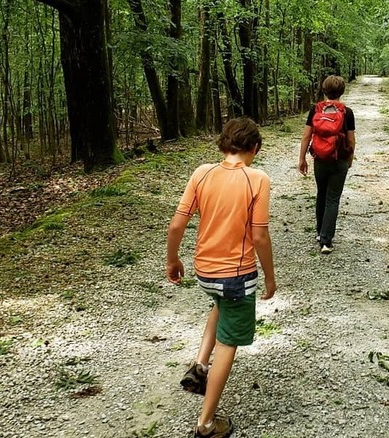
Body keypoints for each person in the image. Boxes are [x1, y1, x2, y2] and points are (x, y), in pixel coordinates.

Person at [166, 117, 277, 438]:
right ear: (254, 148)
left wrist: (172, 259)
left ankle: (200, 366)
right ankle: (206, 424)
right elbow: (259, 237)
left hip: (205, 271)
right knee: (229, 343)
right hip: (237, 277)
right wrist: (270, 277)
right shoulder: (258, 179)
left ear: (224, 143)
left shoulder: (202, 173)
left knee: (220, 306)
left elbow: (176, 225)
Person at [298, 75, 356, 254]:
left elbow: (307, 135)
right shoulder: (347, 112)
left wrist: (302, 159)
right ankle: (326, 241)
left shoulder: (315, 109)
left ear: (324, 90)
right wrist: (350, 159)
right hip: (339, 161)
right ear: (342, 92)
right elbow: (351, 140)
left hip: (320, 160)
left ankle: (319, 232)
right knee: (333, 199)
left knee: (321, 194)